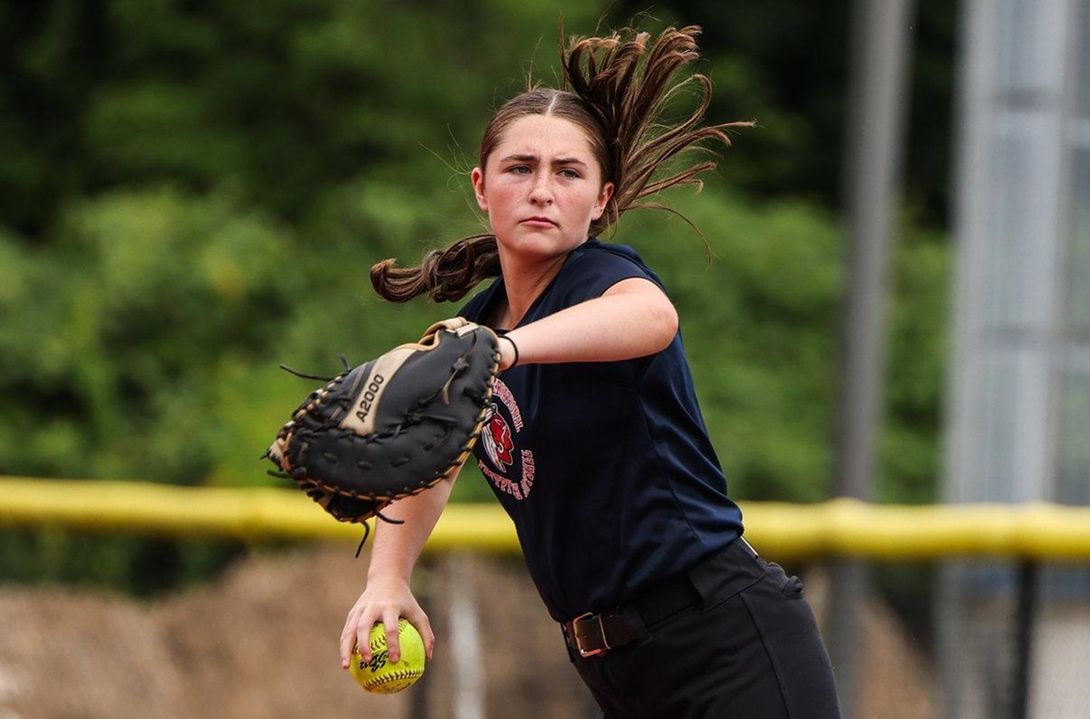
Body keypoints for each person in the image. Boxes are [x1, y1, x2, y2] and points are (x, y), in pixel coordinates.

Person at [339, 25, 841, 718]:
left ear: (602, 198)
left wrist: (509, 352)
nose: (542, 189)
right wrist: (388, 576)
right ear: (482, 188)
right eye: (520, 168)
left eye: (568, 172)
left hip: (724, 641)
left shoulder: (600, 281)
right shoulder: (477, 335)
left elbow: (651, 317)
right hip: (618, 669)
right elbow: (433, 459)